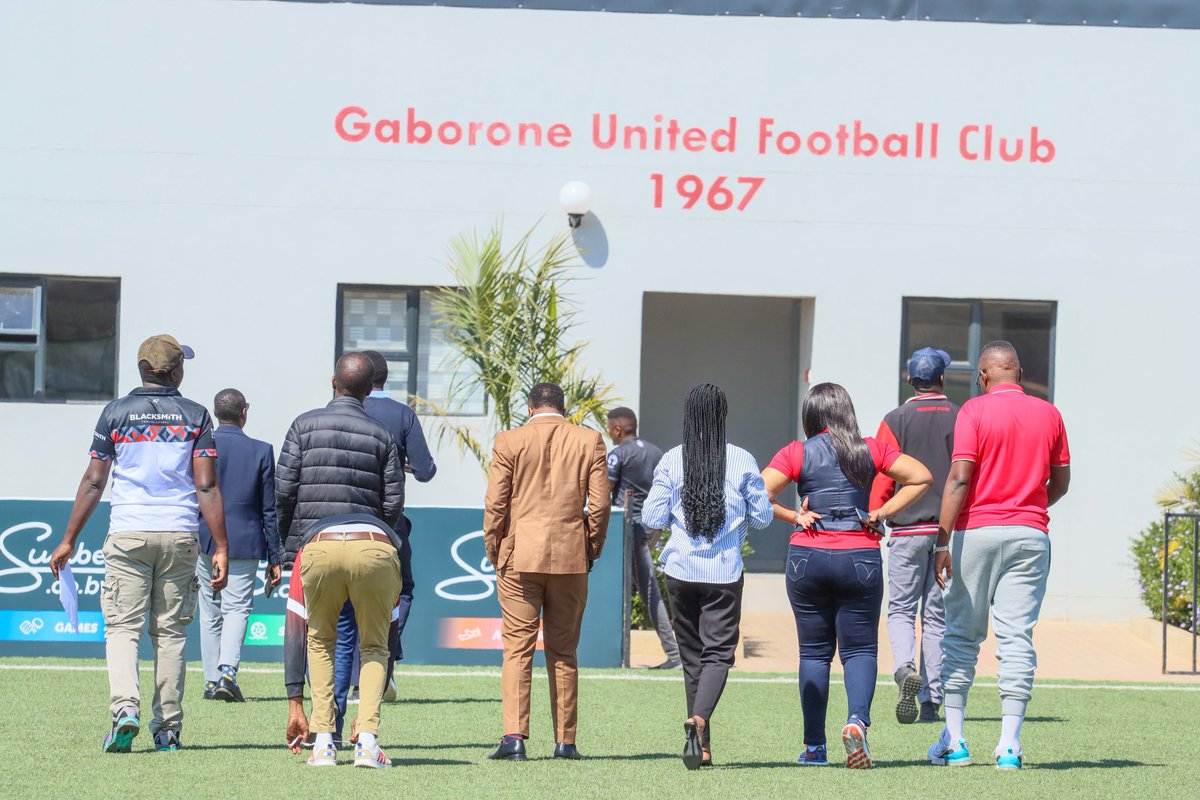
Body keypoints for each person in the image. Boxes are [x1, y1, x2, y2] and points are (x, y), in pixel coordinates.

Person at [48, 334, 229, 753]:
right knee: (171, 635)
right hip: (180, 534)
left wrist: (69, 539)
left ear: (142, 369)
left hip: (128, 533)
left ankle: (123, 710)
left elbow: (95, 479)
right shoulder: (197, 415)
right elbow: (206, 485)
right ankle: (167, 728)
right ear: (176, 371)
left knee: (122, 629)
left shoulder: (115, 413)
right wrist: (219, 544)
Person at [762, 383, 932, 769]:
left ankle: (814, 747)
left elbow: (755, 493)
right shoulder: (870, 448)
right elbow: (921, 477)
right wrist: (882, 512)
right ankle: (857, 722)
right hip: (860, 555)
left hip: (807, 556)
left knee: (813, 653)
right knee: (860, 650)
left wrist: (795, 516)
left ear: (812, 415)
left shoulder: (797, 452)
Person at [928, 341, 1070, 770]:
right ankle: (1009, 745)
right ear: (1020, 373)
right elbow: (1060, 483)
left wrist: (941, 540)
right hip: (1031, 533)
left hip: (977, 532)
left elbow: (958, 478)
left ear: (983, 376)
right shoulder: (1050, 414)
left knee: (960, 635)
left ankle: (955, 742)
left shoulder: (973, 410)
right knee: (1016, 638)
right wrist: (1027, 507)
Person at [277, 352, 405, 769]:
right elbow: (393, 505)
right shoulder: (383, 434)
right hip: (372, 543)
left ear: (333, 382)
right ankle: (366, 742)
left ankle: (323, 743)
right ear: (370, 390)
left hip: (317, 545)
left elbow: (283, 493)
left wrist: (285, 548)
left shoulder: (302, 424)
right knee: (374, 646)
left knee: (320, 640)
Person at [641, 384, 773, 770]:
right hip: (724, 571)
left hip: (680, 570)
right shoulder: (743, 460)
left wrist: (677, 519)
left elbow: (651, 518)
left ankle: (703, 745)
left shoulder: (671, 460)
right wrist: (738, 523)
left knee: (692, 657)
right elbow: (763, 518)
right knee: (718, 653)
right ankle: (698, 722)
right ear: (722, 417)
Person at [484, 382, 611, 762]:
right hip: (571, 558)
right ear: (562, 406)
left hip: (520, 556)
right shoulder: (590, 440)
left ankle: (514, 738)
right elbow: (600, 506)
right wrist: (589, 548)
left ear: (529, 407)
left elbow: (495, 503)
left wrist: (495, 549)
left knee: (517, 650)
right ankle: (565, 741)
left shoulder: (509, 440)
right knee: (564, 651)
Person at [330, 349, 438, 713]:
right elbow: (425, 471)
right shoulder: (402, 415)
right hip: (386, 525)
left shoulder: (332, 410)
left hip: (336, 521)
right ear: (384, 378)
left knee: (344, 603)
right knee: (400, 592)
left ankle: (340, 688)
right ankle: (381, 662)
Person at [869, 348, 959, 724]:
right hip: (945, 534)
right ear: (942, 379)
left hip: (906, 530)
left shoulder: (895, 418)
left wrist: (875, 517)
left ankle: (905, 668)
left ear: (909, 379)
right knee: (936, 617)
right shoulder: (961, 415)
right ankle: (931, 700)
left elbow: (882, 475)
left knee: (901, 609)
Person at [197, 388, 283, 703]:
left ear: (216, 413)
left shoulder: (202, 445)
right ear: (244, 412)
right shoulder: (262, 450)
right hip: (245, 540)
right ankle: (227, 672)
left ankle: (210, 680)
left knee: (209, 611)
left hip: (205, 538)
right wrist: (277, 556)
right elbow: (268, 509)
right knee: (237, 608)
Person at [606, 406, 679, 669]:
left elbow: (605, 492)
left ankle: (674, 654)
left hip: (630, 529)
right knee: (637, 585)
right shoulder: (656, 452)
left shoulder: (618, 455)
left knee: (648, 589)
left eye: (609, 427)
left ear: (617, 429)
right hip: (652, 528)